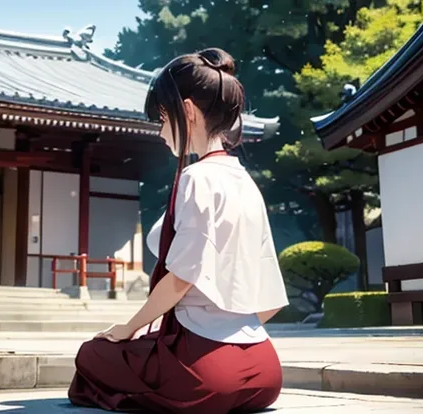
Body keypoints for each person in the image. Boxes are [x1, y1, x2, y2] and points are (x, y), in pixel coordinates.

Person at [67, 48, 290, 413]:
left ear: (187, 111)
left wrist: (129, 326)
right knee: (144, 349)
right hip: (265, 371)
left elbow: (180, 278)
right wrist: (229, 327)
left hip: (206, 374)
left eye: (162, 118)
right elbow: (270, 300)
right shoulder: (245, 182)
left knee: (92, 355)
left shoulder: (196, 177)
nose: (159, 132)